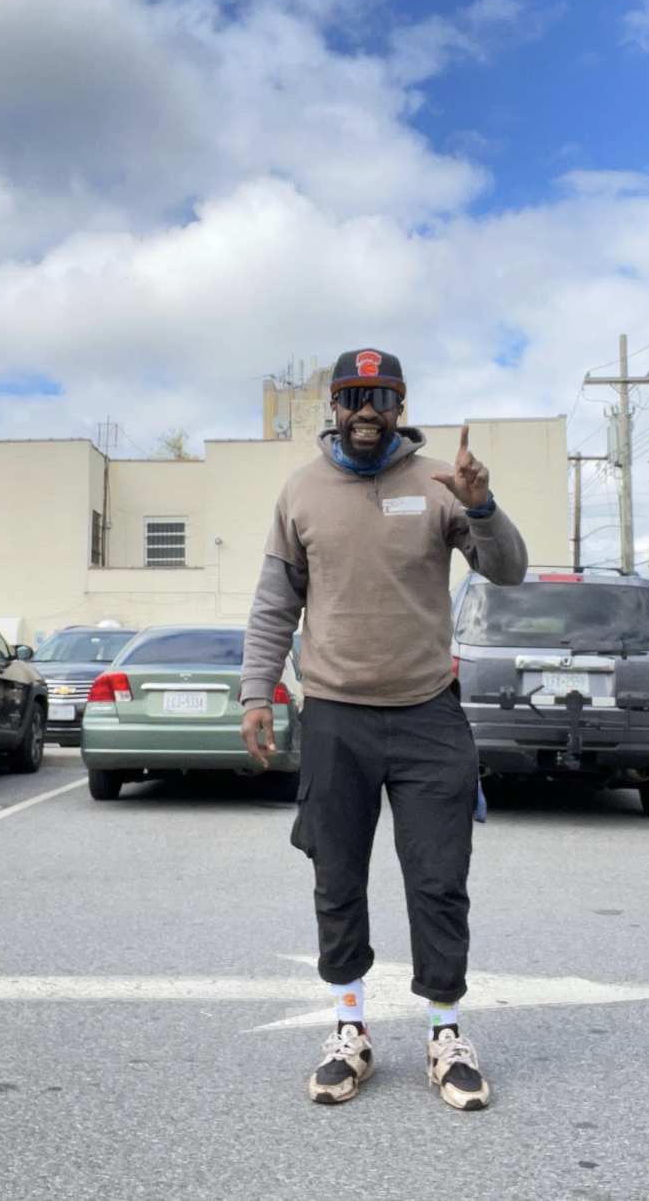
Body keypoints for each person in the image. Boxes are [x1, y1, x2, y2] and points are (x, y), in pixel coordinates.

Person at [239, 348, 528, 1110]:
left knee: (439, 880)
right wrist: (255, 693)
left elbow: (507, 571)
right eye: (353, 395)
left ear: (401, 406)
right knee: (337, 877)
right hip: (334, 713)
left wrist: (484, 505)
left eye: (382, 396)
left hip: (429, 710)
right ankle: (350, 1031)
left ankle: (445, 1034)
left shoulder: (440, 485)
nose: (367, 409)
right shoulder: (300, 491)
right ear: (333, 406)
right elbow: (275, 605)